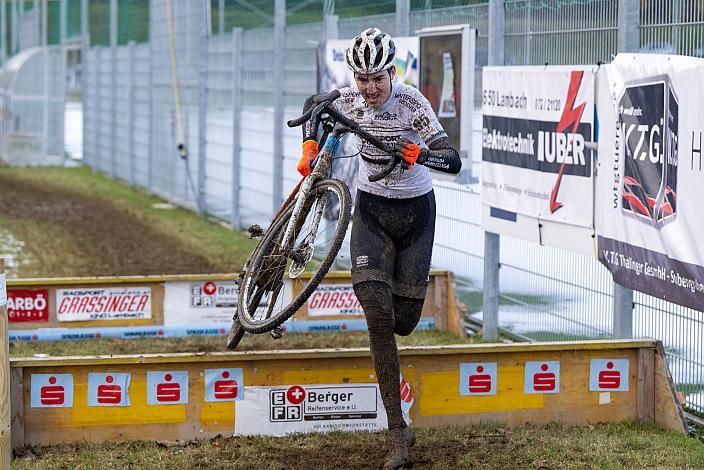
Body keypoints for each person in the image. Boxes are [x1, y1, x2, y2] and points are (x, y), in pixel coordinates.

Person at [297, 27, 461, 469]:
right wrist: (311, 144)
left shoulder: (412, 103)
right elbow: (314, 108)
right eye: (362, 78)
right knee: (376, 310)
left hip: (415, 215)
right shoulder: (350, 99)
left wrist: (420, 154)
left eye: (377, 79)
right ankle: (396, 432)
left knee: (404, 322)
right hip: (370, 212)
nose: (369, 88)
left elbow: (453, 158)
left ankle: (398, 424)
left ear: (392, 73)